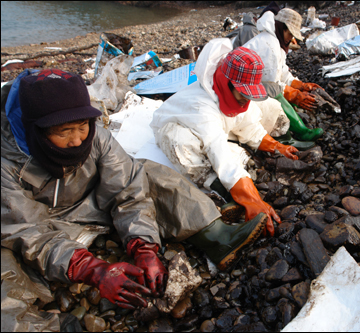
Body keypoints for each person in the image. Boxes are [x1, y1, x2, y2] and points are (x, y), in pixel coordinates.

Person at [1, 69, 267, 331]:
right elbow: (27, 230)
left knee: (144, 170)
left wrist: (145, 248)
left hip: (95, 203)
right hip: (44, 226)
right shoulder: (5, 162)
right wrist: (91, 269)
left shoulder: (96, 137)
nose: (76, 139)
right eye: (63, 132)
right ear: (35, 129)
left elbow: (128, 188)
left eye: (82, 127)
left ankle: (215, 235)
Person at [150, 39, 300, 239]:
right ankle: (220, 188)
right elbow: (217, 148)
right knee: (181, 143)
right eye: (243, 94)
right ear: (225, 82)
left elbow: (248, 124)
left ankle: (241, 179)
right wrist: (251, 199)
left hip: (216, 128)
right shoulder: (201, 107)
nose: (246, 100)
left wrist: (277, 147)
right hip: (181, 128)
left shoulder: (235, 97)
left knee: (268, 108)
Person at [243, 8, 325, 142]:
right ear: (282, 28)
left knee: (284, 95)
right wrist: (295, 95)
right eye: (290, 34)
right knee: (278, 96)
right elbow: (272, 86)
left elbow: (282, 72)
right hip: (243, 88)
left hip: (253, 85)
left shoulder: (276, 42)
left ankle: (290, 127)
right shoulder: (269, 45)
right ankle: (301, 131)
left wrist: (300, 86)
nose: (291, 39)